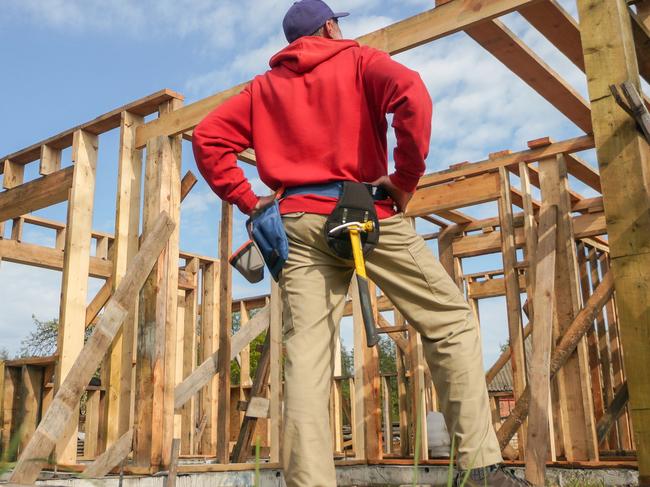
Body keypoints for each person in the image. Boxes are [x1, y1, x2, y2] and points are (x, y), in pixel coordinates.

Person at [192, 1, 530, 485]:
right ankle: (479, 468)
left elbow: (207, 138)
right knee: (450, 320)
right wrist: (405, 178)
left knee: (307, 355)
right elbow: (412, 93)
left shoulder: (264, 89)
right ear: (330, 27)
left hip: (298, 222)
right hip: (366, 211)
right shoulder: (358, 59)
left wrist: (250, 202)